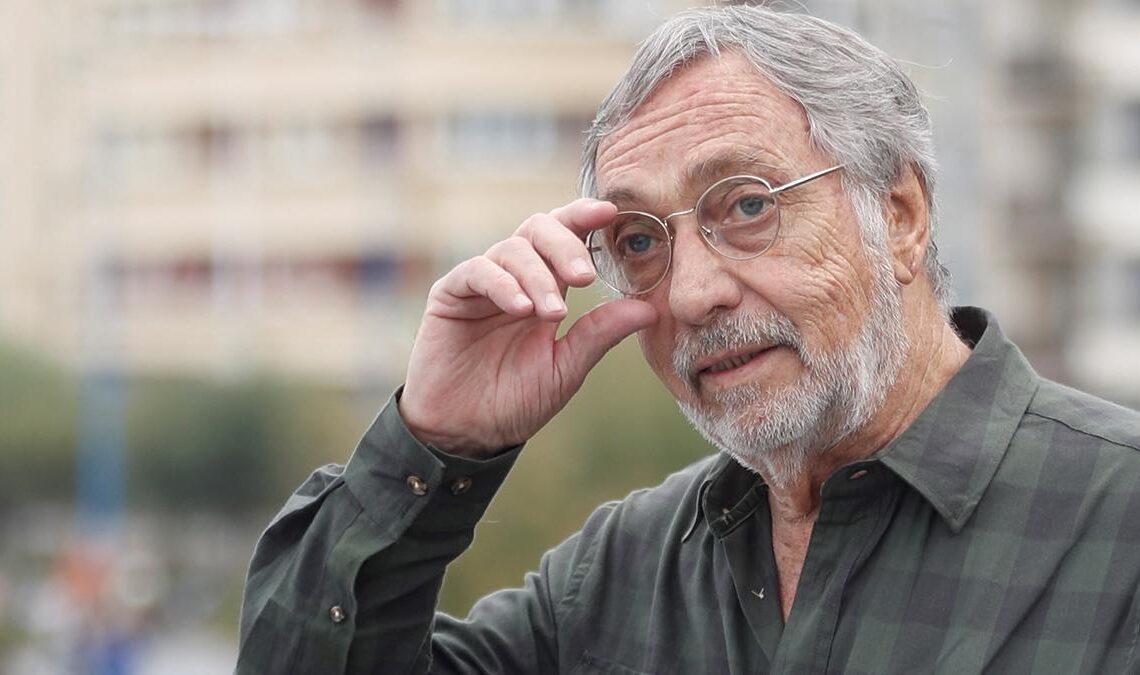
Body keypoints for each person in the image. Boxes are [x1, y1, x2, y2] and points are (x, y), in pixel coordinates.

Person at [236, 6, 1140, 673]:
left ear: (899, 216)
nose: (694, 292)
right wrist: (436, 439)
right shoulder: (622, 572)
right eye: (640, 242)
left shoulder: (1116, 522)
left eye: (747, 205)